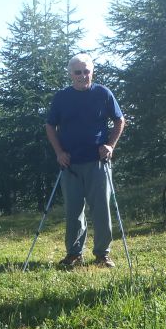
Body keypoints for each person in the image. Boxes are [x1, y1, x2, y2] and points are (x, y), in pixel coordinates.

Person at [45, 53, 126, 268]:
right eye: (78, 72)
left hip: (98, 162)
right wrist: (59, 152)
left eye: (86, 71)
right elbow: (50, 126)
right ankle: (74, 254)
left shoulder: (103, 93)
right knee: (73, 211)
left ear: (92, 72)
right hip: (69, 163)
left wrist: (110, 145)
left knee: (101, 210)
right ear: (71, 74)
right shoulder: (62, 97)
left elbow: (119, 120)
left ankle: (102, 254)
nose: (82, 76)